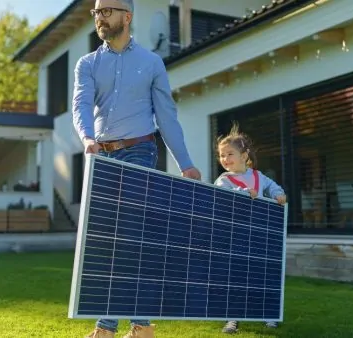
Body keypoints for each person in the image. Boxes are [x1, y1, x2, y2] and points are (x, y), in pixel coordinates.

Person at [72, 0, 201, 337]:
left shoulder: (152, 62)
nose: (99, 17)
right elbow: (81, 105)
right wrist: (87, 138)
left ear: (126, 17)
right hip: (103, 155)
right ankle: (140, 326)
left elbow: (167, 116)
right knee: (112, 241)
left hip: (140, 152)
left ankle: (115, 328)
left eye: (106, 11)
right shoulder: (87, 64)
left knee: (131, 237)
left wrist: (185, 163)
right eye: (96, 12)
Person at [212, 122, 287, 334]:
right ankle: (232, 318)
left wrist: (278, 195)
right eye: (222, 155)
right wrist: (244, 191)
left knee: (262, 274)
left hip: (259, 235)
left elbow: (273, 187)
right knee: (235, 277)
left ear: (244, 155)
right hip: (236, 236)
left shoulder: (258, 176)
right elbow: (225, 197)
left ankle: (269, 314)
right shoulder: (223, 180)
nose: (225, 159)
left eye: (230, 154)